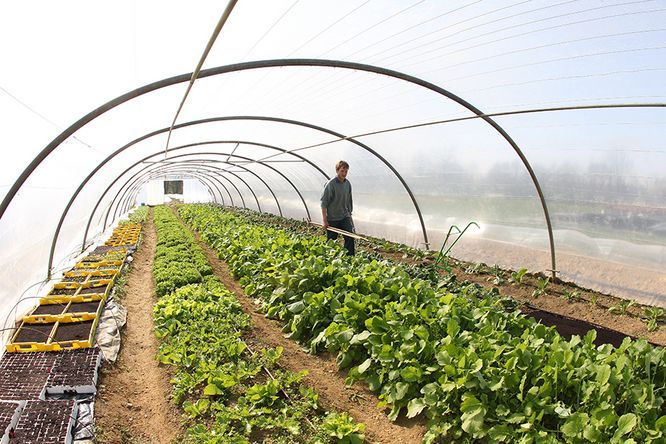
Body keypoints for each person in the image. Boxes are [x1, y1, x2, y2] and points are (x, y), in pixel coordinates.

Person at [320, 160, 355, 255]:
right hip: (333, 218)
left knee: (350, 236)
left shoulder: (347, 184)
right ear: (337, 170)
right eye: (342, 171)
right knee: (331, 241)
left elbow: (349, 201)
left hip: (344, 216)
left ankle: (349, 257)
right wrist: (324, 220)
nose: (344, 173)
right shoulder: (331, 184)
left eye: (346, 171)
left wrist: (350, 215)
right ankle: (328, 258)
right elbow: (324, 203)